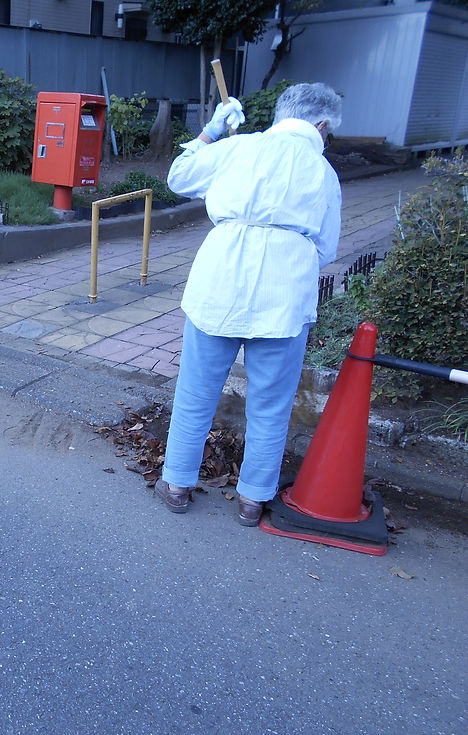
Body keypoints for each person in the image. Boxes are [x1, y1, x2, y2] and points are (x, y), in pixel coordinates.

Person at [154, 83, 343, 526]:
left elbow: (179, 177)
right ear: (320, 125)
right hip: (285, 291)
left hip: (219, 280)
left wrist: (211, 131)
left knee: (197, 389)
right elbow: (328, 247)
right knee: (271, 401)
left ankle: (178, 483)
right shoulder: (324, 172)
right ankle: (253, 498)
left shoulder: (240, 147)